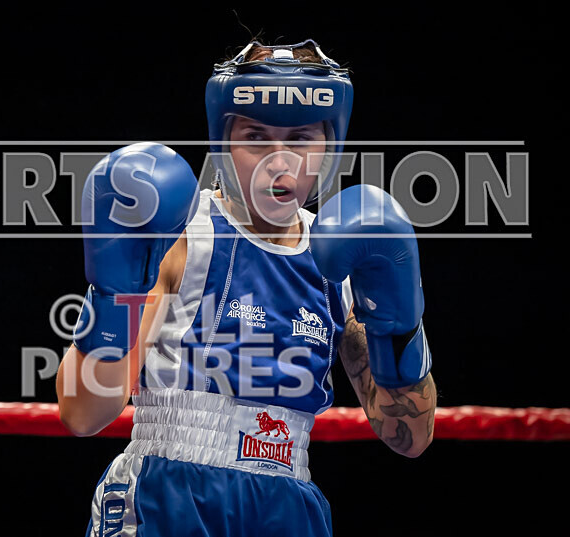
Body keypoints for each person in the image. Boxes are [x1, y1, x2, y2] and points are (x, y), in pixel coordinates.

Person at [56, 39, 437, 537]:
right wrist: (111, 292)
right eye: (256, 137)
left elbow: (409, 438)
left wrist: (401, 323)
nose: (277, 163)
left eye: (300, 139)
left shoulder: (344, 260)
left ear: (328, 146)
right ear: (223, 141)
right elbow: (83, 414)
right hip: (170, 493)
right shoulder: (182, 237)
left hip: (289, 505)